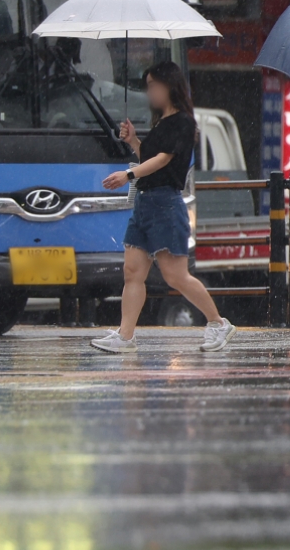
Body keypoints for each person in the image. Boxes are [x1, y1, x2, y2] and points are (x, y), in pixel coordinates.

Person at [91, 61, 236, 353]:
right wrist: (133, 141)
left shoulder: (183, 122)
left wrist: (128, 174)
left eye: (153, 85)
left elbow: (163, 160)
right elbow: (149, 155)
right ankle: (126, 335)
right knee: (132, 271)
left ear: (169, 86)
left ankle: (218, 323)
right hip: (145, 203)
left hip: (165, 204)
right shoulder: (161, 122)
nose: (150, 92)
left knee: (175, 275)